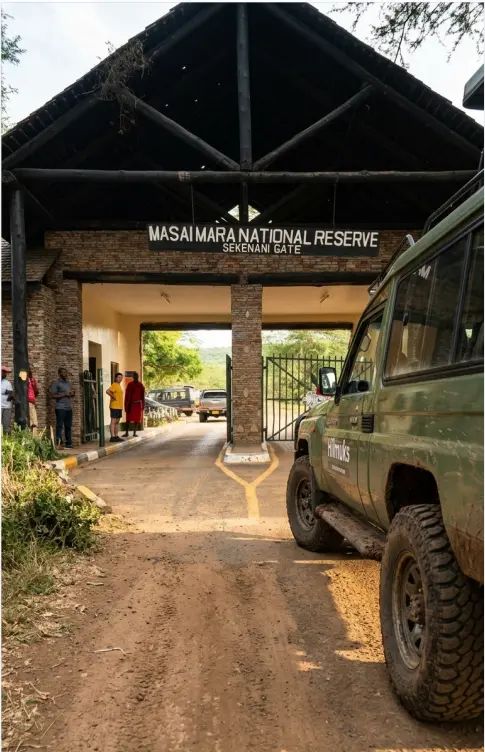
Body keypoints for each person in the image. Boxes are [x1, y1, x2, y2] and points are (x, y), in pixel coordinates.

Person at [50, 367, 74, 449]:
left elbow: (72, 393)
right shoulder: (56, 383)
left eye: (66, 372)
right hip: (60, 408)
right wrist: (64, 395)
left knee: (68, 426)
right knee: (59, 426)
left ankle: (68, 444)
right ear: (59, 374)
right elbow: (53, 395)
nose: (66, 374)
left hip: (68, 408)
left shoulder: (68, 383)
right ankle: (59, 443)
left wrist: (72, 393)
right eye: (64, 372)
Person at [123, 372, 145, 438]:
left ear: (138, 376)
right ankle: (126, 432)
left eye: (136, 376)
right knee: (128, 419)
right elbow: (127, 395)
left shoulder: (140, 385)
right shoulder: (130, 384)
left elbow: (142, 396)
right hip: (130, 404)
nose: (135, 377)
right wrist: (127, 405)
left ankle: (134, 433)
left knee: (137, 419)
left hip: (138, 404)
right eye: (134, 376)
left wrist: (143, 405)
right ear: (133, 377)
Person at [106, 372, 124, 443]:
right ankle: (112, 437)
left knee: (117, 422)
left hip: (119, 406)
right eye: (119, 377)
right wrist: (113, 396)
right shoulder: (114, 385)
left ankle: (116, 436)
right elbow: (107, 391)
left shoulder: (119, 386)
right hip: (114, 406)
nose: (120, 379)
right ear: (116, 378)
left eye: (121, 377)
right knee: (113, 421)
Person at [1, 366, 14, 435]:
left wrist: (9, 396)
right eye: (3, 372)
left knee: (6, 426)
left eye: (5, 373)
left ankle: (8, 441)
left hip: (6, 407)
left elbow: (11, 395)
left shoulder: (7, 383)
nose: (5, 374)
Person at [28, 366, 39, 435]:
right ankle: (30, 438)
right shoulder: (23, 379)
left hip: (32, 402)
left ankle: (34, 438)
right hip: (27, 402)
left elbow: (35, 391)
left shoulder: (32, 380)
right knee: (31, 421)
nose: (29, 371)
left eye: (29, 369)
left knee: (34, 421)